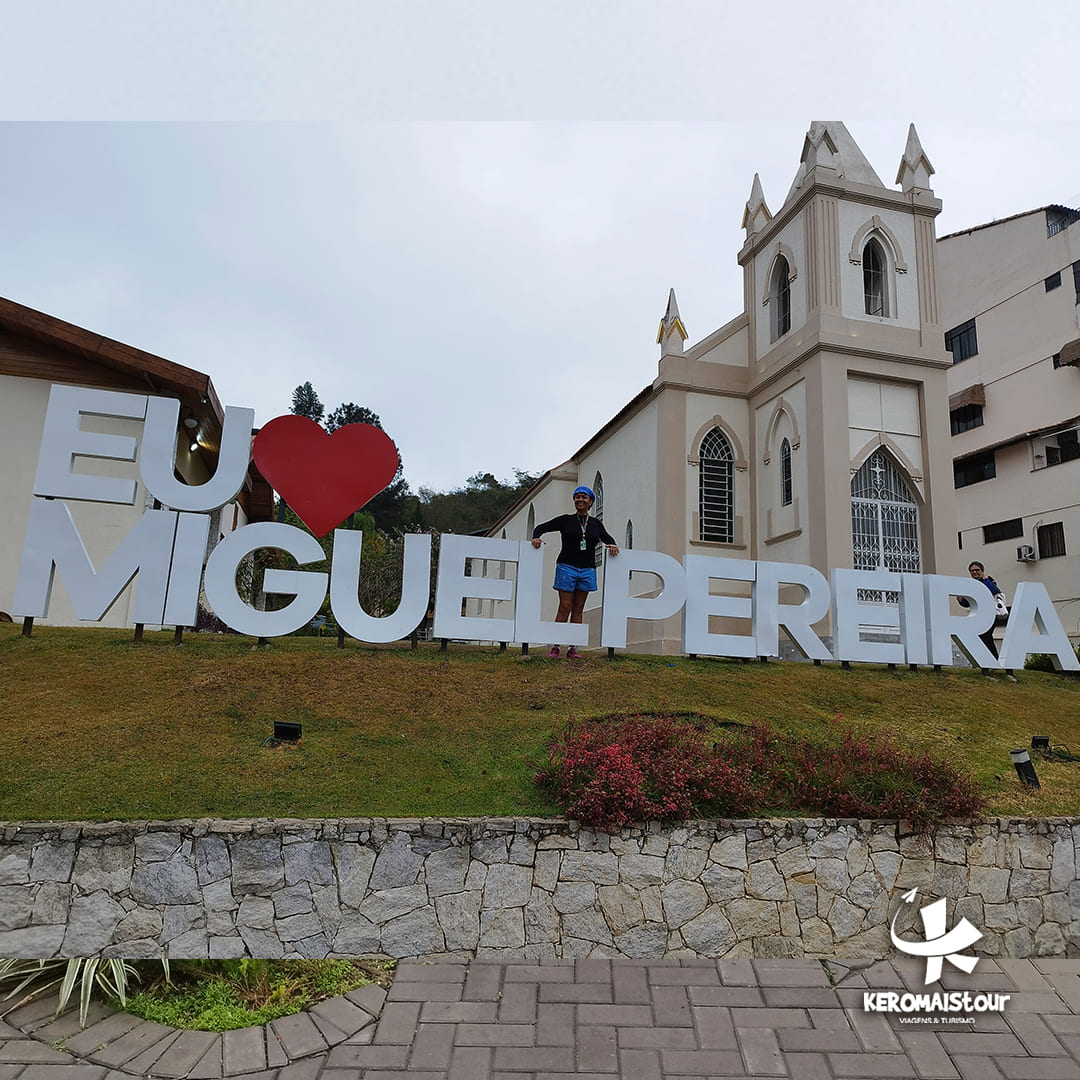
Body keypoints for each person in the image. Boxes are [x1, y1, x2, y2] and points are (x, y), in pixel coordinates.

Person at [531, 486, 619, 658]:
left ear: (591, 502)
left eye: (584, 497)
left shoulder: (596, 524)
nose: (580, 500)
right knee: (565, 606)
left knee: (578, 608)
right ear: (574, 500)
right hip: (567, 566)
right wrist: (536, 537)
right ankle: (555, 646)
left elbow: (608, 538)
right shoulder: (566, 520)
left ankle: (573, 648)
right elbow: (541, 527)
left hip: (587, 569)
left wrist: (613, 545)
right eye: (577, 497)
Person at [959, 560, 1004, 668]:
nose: (974, 572)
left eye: (977, 570)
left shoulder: (988, 580)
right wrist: (960, 600)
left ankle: (993, 661)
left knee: (986, 636)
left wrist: (986, 579)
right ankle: (985, 662)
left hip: (989, 615)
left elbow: (993, 591)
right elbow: (968, 603)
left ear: (982, 571)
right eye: (972, 570)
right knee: (981, 637)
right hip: (978, 615)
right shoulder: (971, 584)